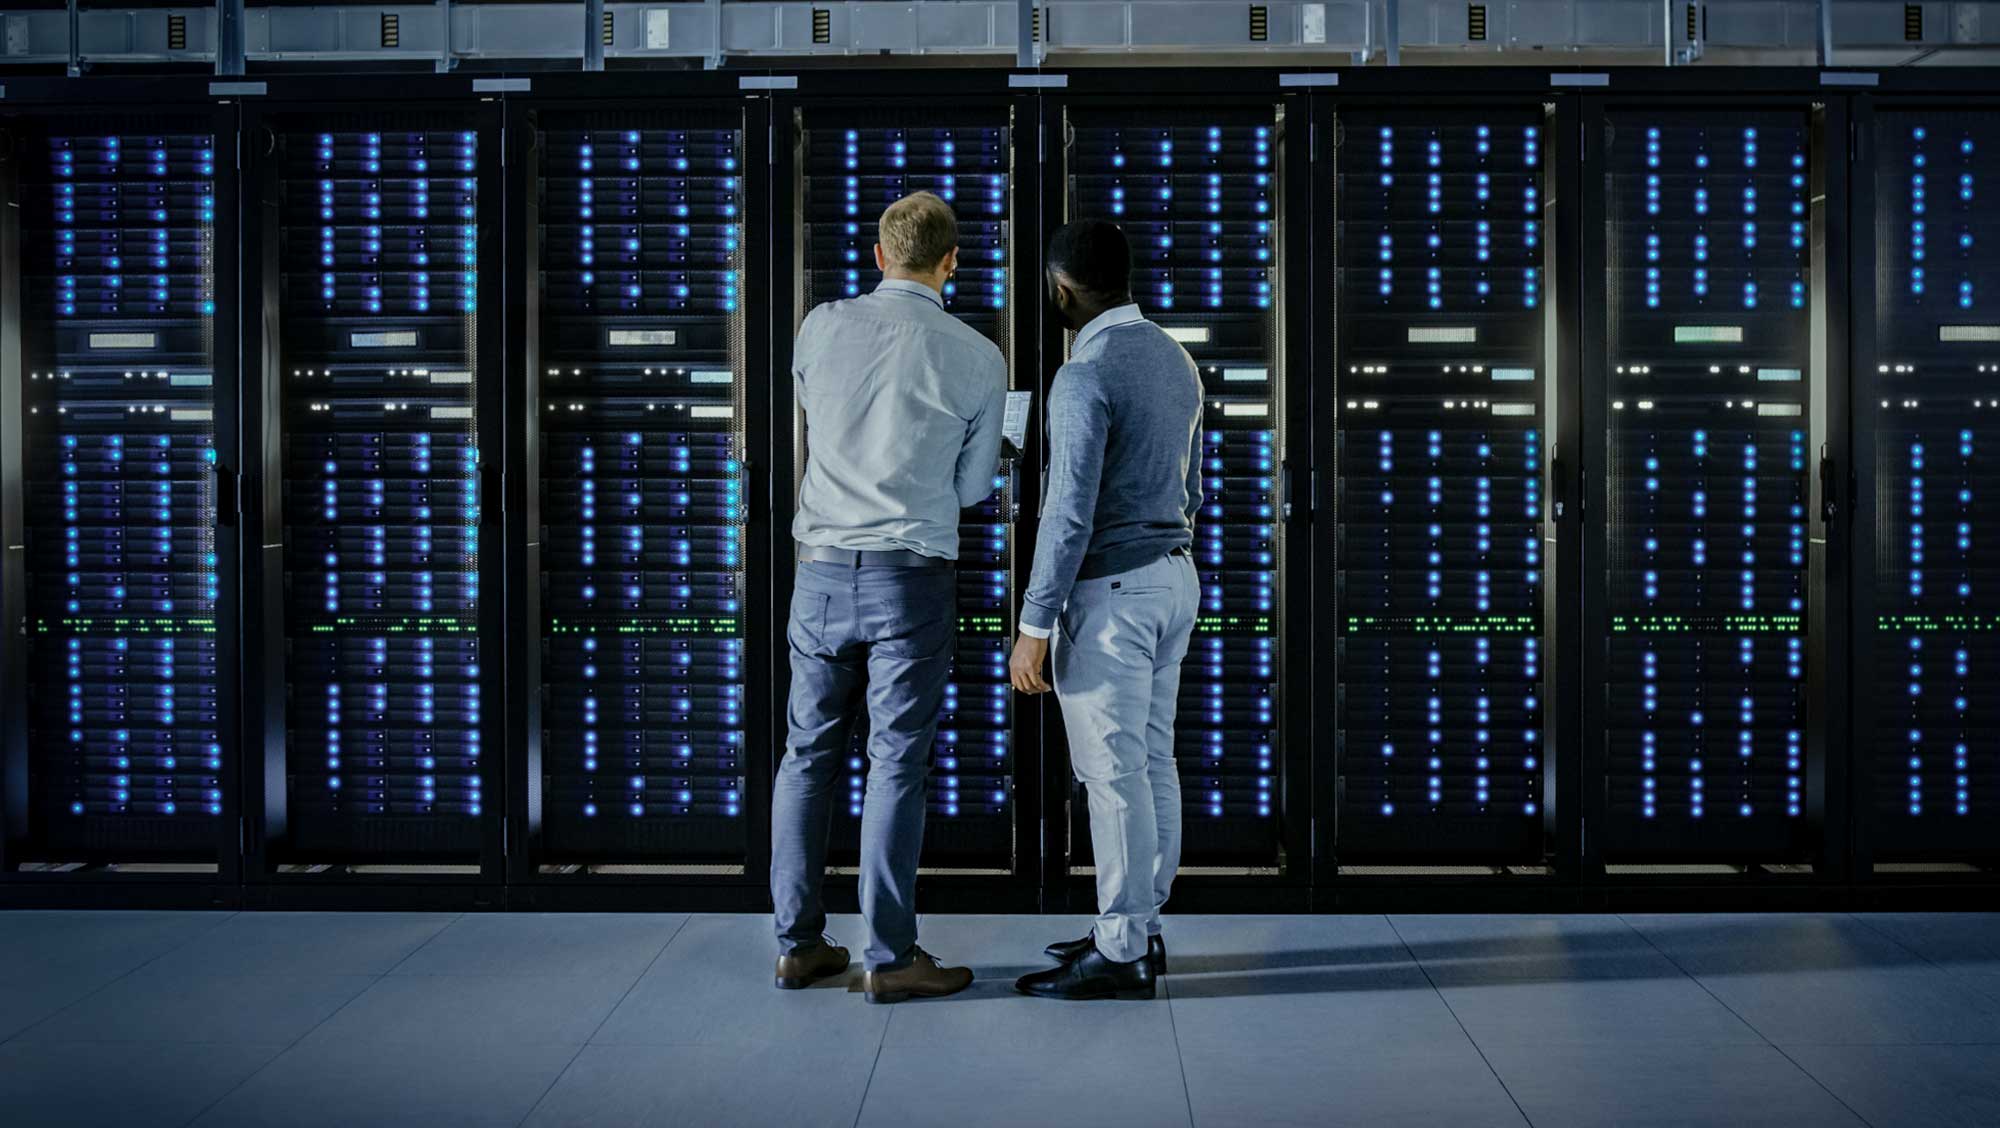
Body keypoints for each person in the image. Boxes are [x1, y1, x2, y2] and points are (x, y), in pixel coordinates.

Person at [770, 190, 1005, 1004]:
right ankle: (890, 955)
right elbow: (974, 490)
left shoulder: (821, 326)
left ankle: (799, 946)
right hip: (911, 579)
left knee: (807, 755)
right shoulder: (977, 355)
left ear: (878, 255)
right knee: (896, 759)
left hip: (821, 572)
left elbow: (813, 418)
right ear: (951, 262)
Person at [1010, 220, 1203, 1001]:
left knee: (1112, 776)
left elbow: (1068, 511)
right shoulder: (1174, 356)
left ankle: (1121, 949)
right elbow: (1183, 483)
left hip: (1113, 594)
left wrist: (1033, 625)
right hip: (1173, 578)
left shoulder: (1084, 374)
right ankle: (1140, 929)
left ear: (1062, 288)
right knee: (1152, 762)